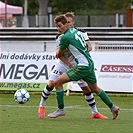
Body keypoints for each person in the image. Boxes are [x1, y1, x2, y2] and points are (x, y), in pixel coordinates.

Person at [38, 12, 108, 120]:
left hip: (78, 64)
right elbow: (58, 54)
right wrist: (68, 61)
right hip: (63, 63)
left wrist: (76, 51)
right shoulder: (61, 36)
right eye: (66, 22)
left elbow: (89, 47)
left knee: (86, 88)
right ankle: (41, 106)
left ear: (72, 22)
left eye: (69, 22)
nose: (68, 24)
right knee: (52, 83)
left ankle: (95, 112)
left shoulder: (81, 33)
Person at [53, 15, 120, 120]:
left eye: (60, 26)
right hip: (89, 64)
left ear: (66, 24)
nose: (58, 29)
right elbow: (85, 46)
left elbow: (58, 54)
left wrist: (59, 50)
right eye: (56, 27)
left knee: (57, 82)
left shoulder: (65, 37)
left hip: (82, 66)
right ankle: (113, 107)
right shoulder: (76, 32)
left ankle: (61, 109)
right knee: (95, 88)